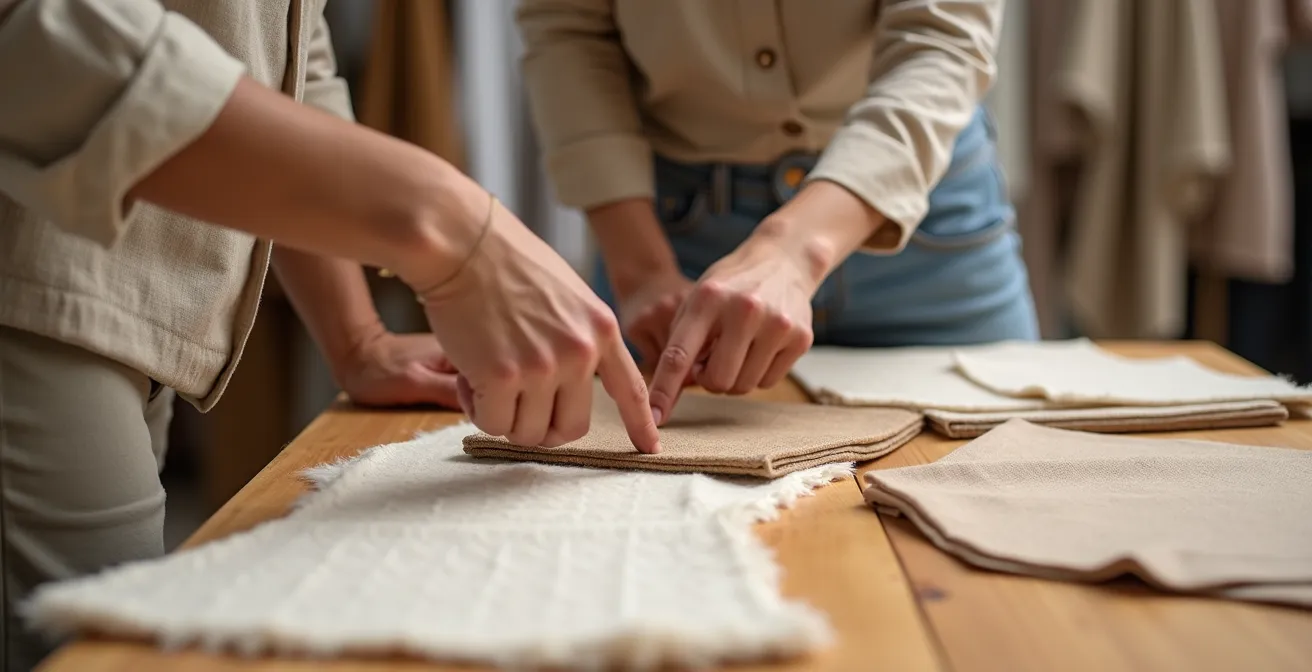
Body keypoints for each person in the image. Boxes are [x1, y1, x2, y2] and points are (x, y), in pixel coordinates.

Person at [0, 1, 657, 667]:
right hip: (27, 261)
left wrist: (356, 337)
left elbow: (282, 45)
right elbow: (38, 29)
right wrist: (450, 226)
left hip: (131, 293)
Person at [516, 0, 1039, 423]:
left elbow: (942, 41)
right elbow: (568, 30)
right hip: (665, 236)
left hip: (923, 219)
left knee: (1011, 477)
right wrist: (640, 269)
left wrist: (794, 251)